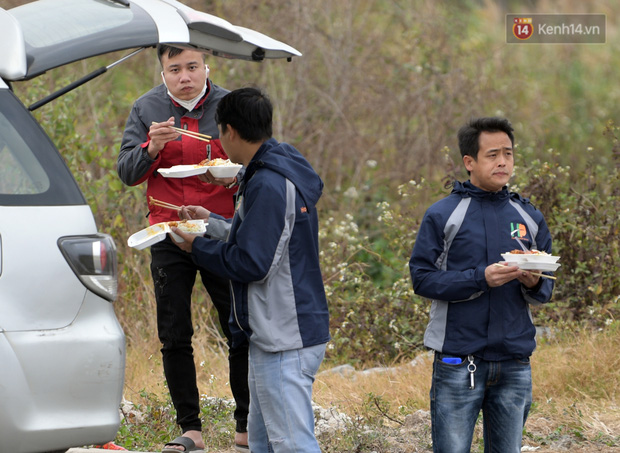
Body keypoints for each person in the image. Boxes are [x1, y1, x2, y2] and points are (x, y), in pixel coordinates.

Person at [170, 87, 331, 453]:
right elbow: (263, 239)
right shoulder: (269, 169)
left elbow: (253, 263)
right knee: (262, 443)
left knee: (292, 444)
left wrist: (197, 247)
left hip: (285, 335)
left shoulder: (270, 183)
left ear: (229, 130)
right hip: (269, 333)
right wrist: (210, 223)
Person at [117, 45, 249, 452]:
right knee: (174, 333)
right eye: (174, 69)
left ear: (206, 66)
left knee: (240, 327)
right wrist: (151, 149)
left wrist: (231, 179)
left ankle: (245, 425)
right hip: (168, 232)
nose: (185, 76)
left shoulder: (230, 105)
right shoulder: (146, 108)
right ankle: (190, 429)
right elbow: (126, 172)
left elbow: (258, 164)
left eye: (192, 67)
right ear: (163, 73)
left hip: (219, 232)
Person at [409, 117, 555, 453]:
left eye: (508, 153)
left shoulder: (528, 216)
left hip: (515, 363)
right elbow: (422, 278)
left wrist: (534, 281)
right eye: (492, 155)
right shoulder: (444, 214)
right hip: (458, 361)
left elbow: (545, 288)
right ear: (469, 162)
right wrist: (480, 278)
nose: (503, 161)